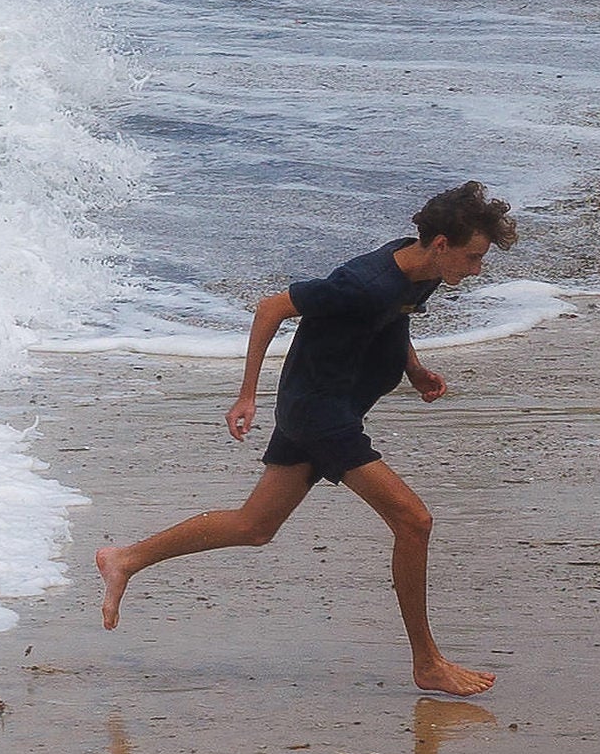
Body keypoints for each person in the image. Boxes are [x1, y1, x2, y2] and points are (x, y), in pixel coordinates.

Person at [91, 182, 514, 697]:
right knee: (414, 519)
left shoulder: (421, 272)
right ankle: (427, 662)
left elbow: (393, 320)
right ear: (442, 244)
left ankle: (124, 560)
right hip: (319, 413)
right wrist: (245, 395)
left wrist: (413, 369)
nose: (476, 270)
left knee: (254, 526)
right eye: (472, 258)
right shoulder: (362, 283)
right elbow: (271, 307)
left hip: (325, 407)